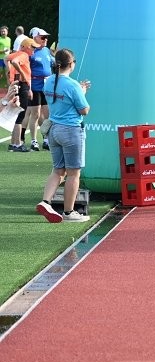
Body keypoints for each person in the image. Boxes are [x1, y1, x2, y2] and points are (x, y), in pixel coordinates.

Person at [36, 48, 91, 223]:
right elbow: (84, 110)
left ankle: (46, 201)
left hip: (54, 129)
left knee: (58, 170)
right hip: (71, 130)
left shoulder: (49, 81)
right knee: (74, 173)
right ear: (71, 64)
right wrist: (81, 92)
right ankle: (69, 212)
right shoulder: (72, 85)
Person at [6, 38, 36, 151]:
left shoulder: (18, 53)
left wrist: (10, 74)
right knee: (20, 115)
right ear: (26, 46)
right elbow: (13, 62)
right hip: (22, 85)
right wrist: (22, 74)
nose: (34, 49)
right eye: (32, 47)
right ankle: (18, 144)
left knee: (16, 115)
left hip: (18, 84)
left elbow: (6, 58)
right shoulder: (23, 55)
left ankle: (13, 143)